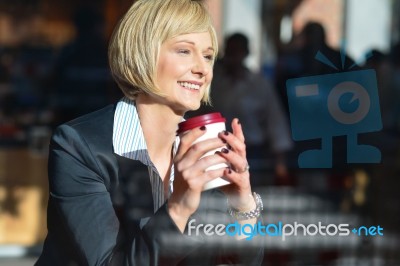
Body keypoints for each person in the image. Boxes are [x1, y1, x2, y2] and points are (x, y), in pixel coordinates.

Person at [35, 0, 264, 265]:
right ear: (142, 53)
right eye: (184, 51)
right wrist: (179, 208)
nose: (203, 69)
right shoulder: (79, 146)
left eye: (208, 56)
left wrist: (243, 204)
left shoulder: (203, 146)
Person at [196, 33, 293, 180]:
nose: (235, 56)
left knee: (247, 194)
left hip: (253, 151)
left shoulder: (259, 84)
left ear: (246, 53)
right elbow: (198, 113)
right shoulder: (212, 82)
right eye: (231, 51)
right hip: (216, 148)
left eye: (239, 51)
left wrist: (280, 162)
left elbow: (275, 121)